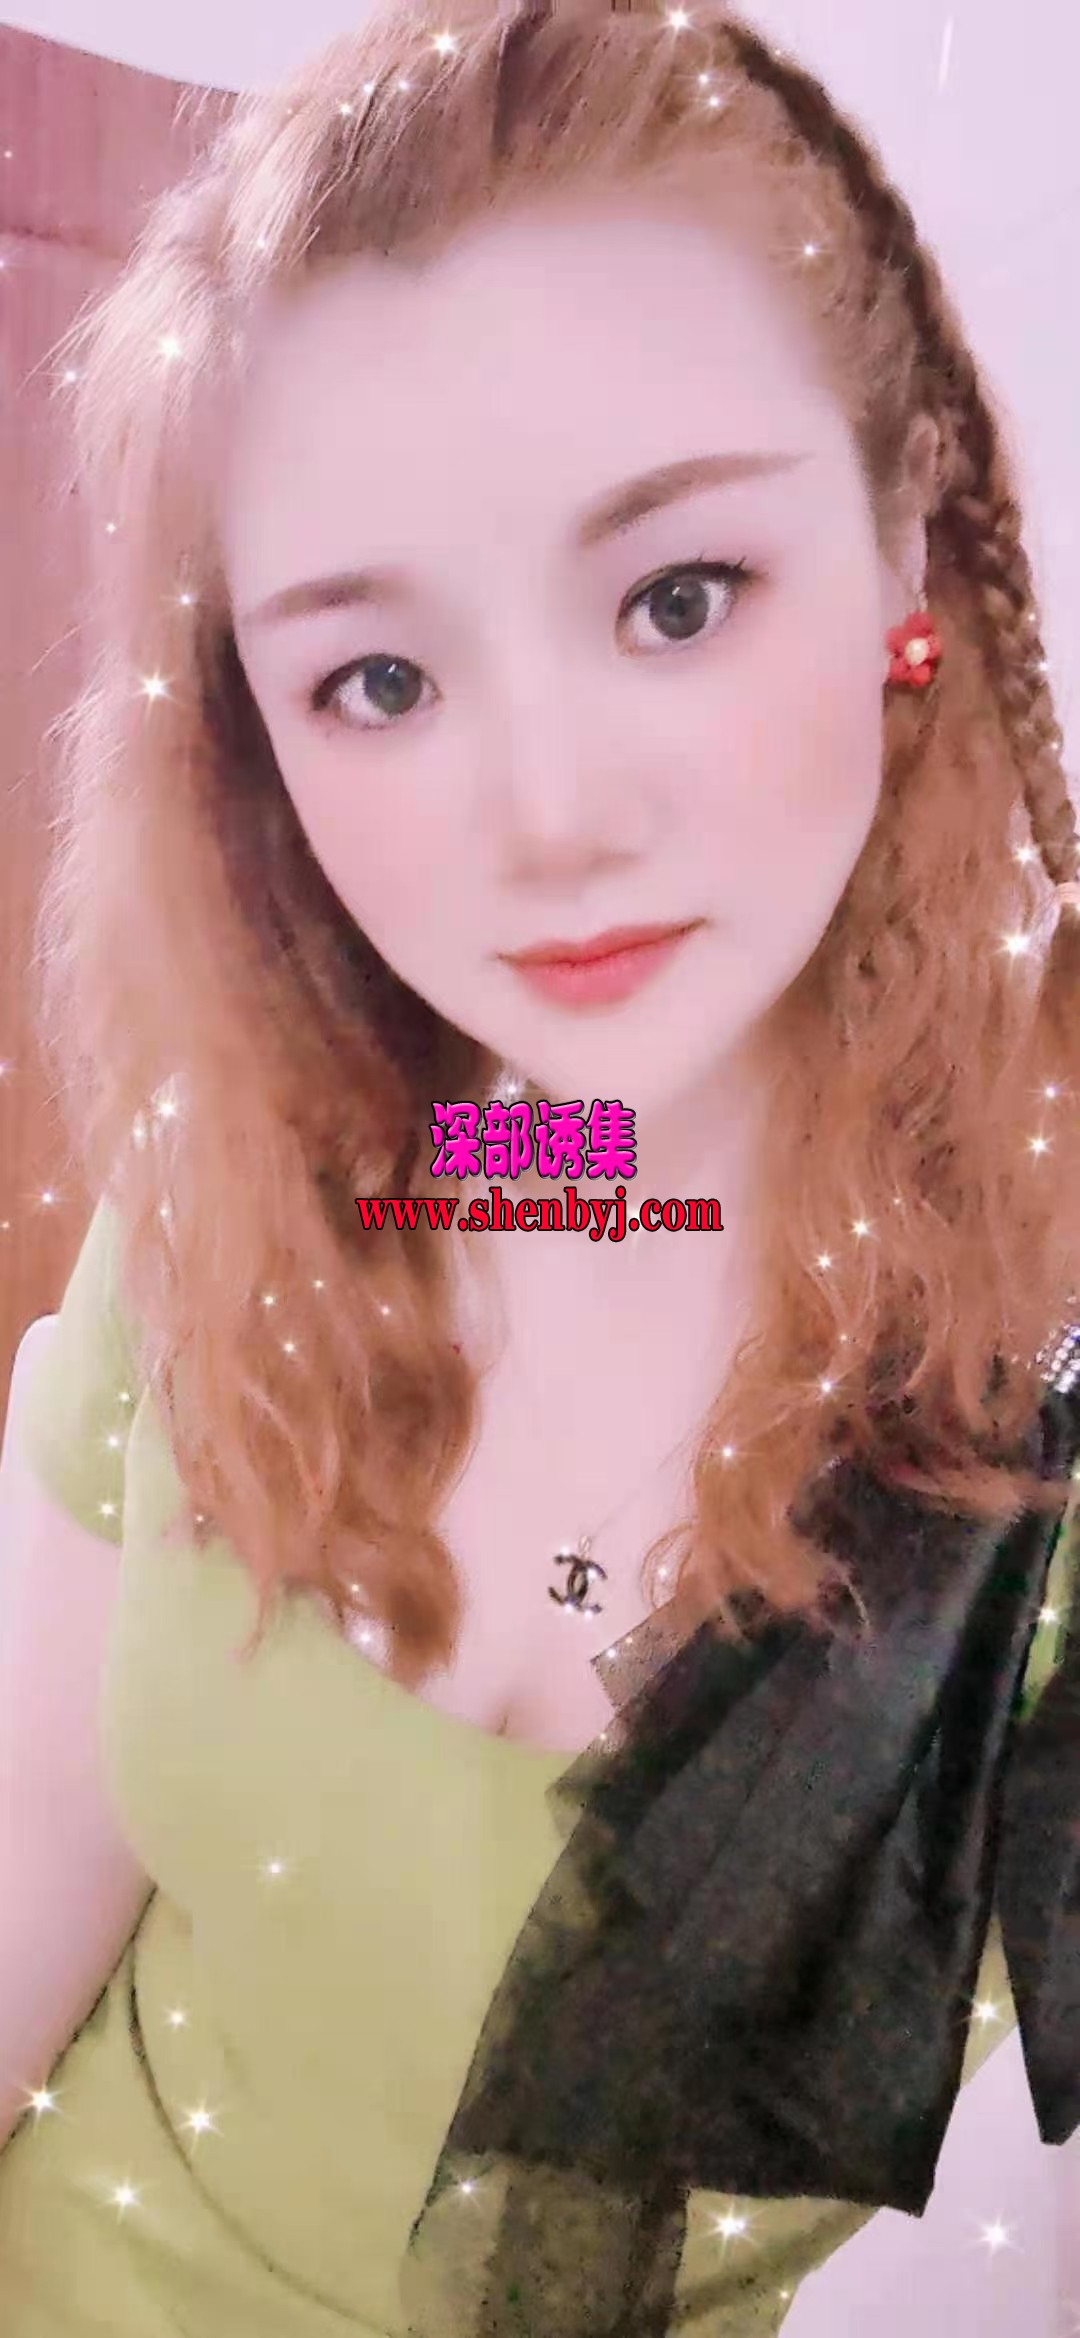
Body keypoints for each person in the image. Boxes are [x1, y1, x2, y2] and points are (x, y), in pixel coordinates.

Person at [1, 1, 1078, 2331]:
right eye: (378, 679)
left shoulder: (1041, 1407)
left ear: (903, 539)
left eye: (676, 596)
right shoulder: (250, 1205)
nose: (548, 814)